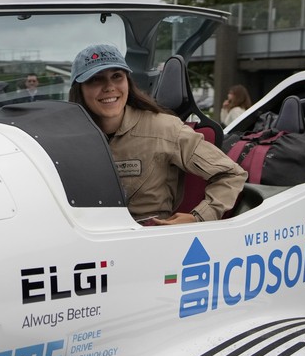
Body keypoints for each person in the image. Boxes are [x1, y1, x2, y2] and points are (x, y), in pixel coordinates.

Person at [68, 44, 247, 225]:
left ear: (128, 82)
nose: (109, 87)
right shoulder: (66, 139)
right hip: (86, 239)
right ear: (79, 90)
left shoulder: (164, 129)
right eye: (95, 79)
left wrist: (199, 217)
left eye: (117, 76)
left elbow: (232, 174)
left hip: (149, 241)